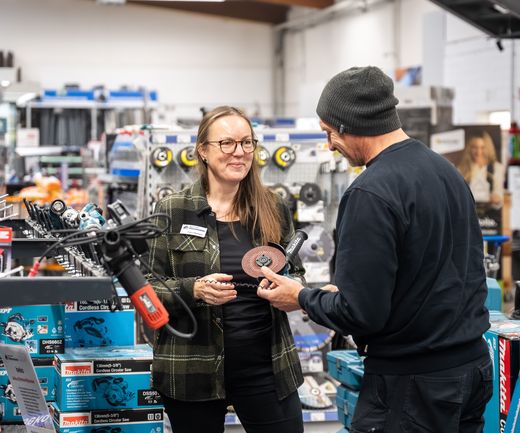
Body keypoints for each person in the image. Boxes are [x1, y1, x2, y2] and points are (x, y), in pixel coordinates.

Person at [258, 66, 492, 433]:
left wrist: (301, 297)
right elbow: (431, 273)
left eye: (329, 132)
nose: (329, 145)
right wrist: (338, 294)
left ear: (348, 124)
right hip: (471, 369)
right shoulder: (445, 171)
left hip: (413, 383)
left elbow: (362, 315)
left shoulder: (370, 192)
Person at [147, 106, 305, 433]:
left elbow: (297, 274)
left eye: (247, 143)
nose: (239, 152)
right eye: (227, 143)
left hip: (267, 368)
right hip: (192, 370)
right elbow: (146, 289)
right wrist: (193, 289)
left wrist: (291, 291)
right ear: (203, 151)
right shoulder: (172, 209)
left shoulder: (273, 207)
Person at [458, 130, 504, 208]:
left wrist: (496, 198)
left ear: (488, 148)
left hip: (490, 214)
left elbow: (499, 193)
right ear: (469, 149)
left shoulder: (497, 168)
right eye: (474, 147)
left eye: (483, 147)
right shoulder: (461, 169)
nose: (478, 152)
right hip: (469, 212)